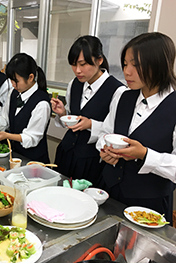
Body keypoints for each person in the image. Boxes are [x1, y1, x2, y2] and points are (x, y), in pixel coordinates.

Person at [96, 32, 176, 224]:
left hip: (149, 203)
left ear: (159, 64)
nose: (127, 72)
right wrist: (105, 150)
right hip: (110, 191)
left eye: (136, 65)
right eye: (125, 64)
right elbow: (104, 134)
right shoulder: (123, 97)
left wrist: (145, 155)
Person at [51, 35, 126, 186]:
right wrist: (63, 114)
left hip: (91, 160)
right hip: (66, 153)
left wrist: (91, 124)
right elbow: (73, 117)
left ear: (99, 60)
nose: (77, 70)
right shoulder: (75, 84)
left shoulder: (118, 91)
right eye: (73, 65)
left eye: (83, 64)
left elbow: (115, 133)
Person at [0, 53, 51, 163]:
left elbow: (31, 138)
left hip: (33, 161)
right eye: (11, 80)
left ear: (31, 77)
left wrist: (7, 135)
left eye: (16, 81)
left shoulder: (42, 103)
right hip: (15, 156)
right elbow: (5, 121)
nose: (13, 85)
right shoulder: (13, 93)